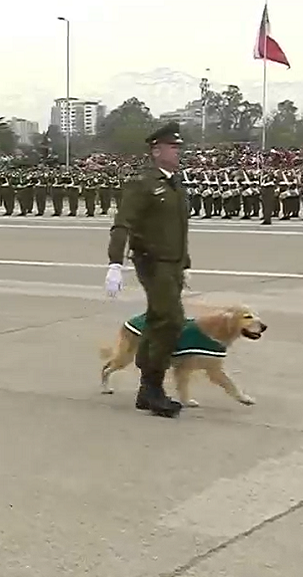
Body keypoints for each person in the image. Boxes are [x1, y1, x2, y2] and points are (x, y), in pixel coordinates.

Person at [103, 122, 189, 418]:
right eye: (173, 147)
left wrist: (184, 263)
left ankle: (147, 387)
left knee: (158, 320)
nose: (178, 151)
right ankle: (151, 386)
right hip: (153, 263)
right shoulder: (143, 183)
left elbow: (178, 228)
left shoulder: (175, 183)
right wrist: (115, 262)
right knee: (172, 321)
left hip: (173, 264)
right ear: (156, 151)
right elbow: (123, 223)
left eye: (179, 147)